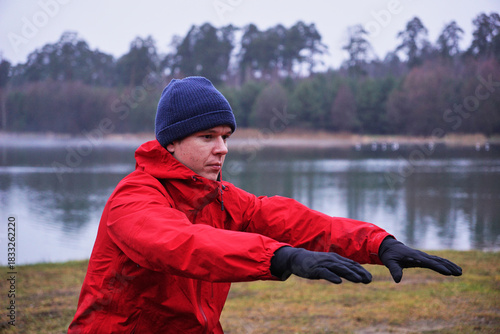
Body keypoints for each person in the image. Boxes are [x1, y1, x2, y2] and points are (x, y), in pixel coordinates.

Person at [68, 76, 462, 333]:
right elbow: (182, 244)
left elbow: (298, 223)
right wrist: (282, 258)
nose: (222, 149)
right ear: (170, 142)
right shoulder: (133, 198)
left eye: (226, 137)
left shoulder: (220, 197)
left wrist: (378, 243)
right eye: (207, 137)